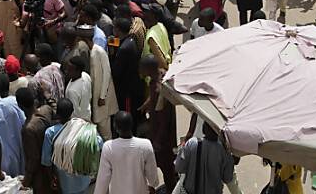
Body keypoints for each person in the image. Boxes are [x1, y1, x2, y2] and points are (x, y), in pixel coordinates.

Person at [94, 111, 159, 194]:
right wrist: (153, 184)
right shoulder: (145, 145)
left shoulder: (108, 147)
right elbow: (153, 177)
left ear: (115, 127)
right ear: (131, 125)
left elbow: (102, 180)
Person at [138, 54, 177, 190]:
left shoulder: (160, 89)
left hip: (162, 137)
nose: (140, 71)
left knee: (166, 167)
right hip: (159, 131)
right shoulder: (159, 77)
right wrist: (147, 104)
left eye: (142, 68)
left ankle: (172, 189)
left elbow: (164, 121)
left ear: (148, 69)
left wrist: (157, 142)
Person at [43, 99, 96, 194]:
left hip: (64, 182)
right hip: (83, 180)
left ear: (57, 113)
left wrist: (51, 178)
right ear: (72, 112)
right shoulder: (82, 128)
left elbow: (47, 161)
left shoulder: (50, 133)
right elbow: (98, 145)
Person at [175, 125, 236, 194]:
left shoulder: (191, 143)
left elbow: (179, 168)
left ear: (203, 129)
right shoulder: (224, 151)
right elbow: (228, 178)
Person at [79, 25, 116, 137]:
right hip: (95, 96)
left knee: (105, 130)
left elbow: (107, 73)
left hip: (102, 97)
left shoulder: (99, 51)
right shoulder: (89, 52)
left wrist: (102, 96)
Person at [17, 87, 55, 194]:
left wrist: (25, 182)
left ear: (20, 105)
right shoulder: (46, 110)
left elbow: (33, 159)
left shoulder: (28, 129)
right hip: (51, 165)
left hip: (40, 175)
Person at [111, 17, 142, 115]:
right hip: (132, 84)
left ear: (118, 30)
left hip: (127, 89)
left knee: (127, 112)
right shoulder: (130, 40)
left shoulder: (124, 49)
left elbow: (116, 72)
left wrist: (111, 56)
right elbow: (118, 42)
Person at [141, 5, 171, 71]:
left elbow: (160, 60)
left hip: (154, 72)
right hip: (168, 60)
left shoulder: (151, 36)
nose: (145, 12)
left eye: (148, 11)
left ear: (153, 16)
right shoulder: (160, 25)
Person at [63, 54, 92, 122]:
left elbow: (74, 114)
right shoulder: (86, 76)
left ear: (78, 71)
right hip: (87, 116)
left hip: (78, 123)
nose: (66, 71)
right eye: (67, 68)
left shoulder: (72, 91)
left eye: (70, 69)